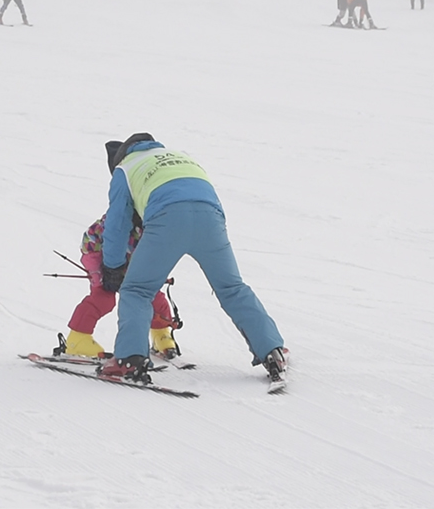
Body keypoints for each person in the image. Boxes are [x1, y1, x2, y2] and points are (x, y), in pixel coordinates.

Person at [95, 133, 287, 385]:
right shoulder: (179, 157)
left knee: (137, 289)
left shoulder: (125, 168)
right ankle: (272, 350)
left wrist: (113, 266)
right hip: (211, 219)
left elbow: (117, 222)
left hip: (167, 219)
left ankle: (129, 359)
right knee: (231, 288)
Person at [63, 142, 182, 358]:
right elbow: (115, 236)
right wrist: (113, 270)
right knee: (104, 296)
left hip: (130, 254)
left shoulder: (154, 204)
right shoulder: (127, 204)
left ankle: (161, 333)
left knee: (152, 295)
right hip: (99, 250)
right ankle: (77, 339)